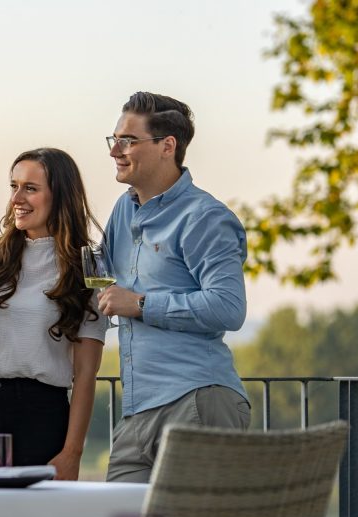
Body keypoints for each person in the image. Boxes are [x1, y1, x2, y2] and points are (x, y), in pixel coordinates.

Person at [99, 92, 250, 483]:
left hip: (197, 403)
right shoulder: (123, 209)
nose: (116, 149)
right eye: (114, 139)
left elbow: (228, 307)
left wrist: (140, 304)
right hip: (137, 413)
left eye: (128, 140)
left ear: (168, 146)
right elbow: (94, 279)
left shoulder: (204, 217)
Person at [0, 147, 106, 480]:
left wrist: (72, 453)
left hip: (41, 417)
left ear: (60, 196)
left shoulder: (85, 267)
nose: (17, 197)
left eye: (30, 188)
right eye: (13, 186)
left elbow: (85, 376)